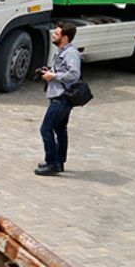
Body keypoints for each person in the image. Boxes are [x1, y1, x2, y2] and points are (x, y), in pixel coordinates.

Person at [36, 21, 82, 176]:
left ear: (65, 37)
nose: (53, 35)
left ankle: (51, 163)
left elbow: (74, 74)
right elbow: (64, 70)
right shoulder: (62, 52)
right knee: (60, 129)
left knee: (46, 129)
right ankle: (59, 161)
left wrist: (53, 76)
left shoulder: (71, 53)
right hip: (59, 96)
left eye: (57, 33)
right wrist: (48, 71)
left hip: (61, 98)